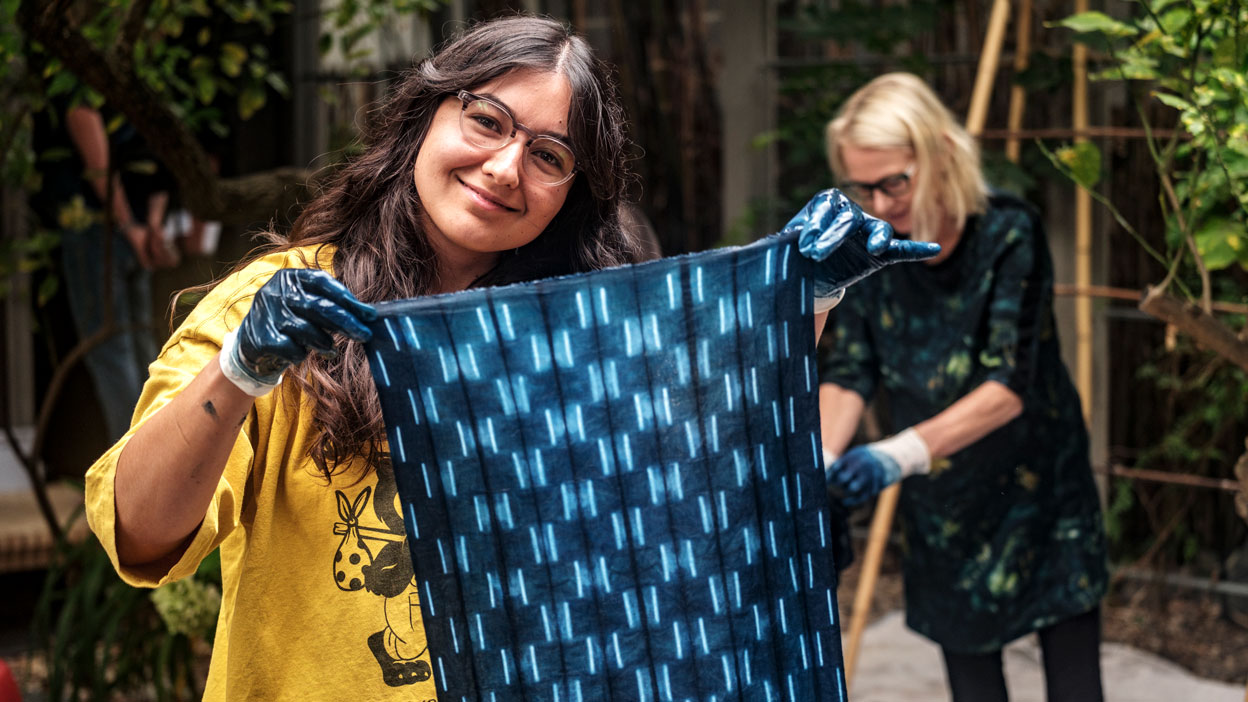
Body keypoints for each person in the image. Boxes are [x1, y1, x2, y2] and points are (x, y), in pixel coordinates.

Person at [84, 17, 932, 699]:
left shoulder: (583, 337)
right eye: (486, 119)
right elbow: (140, 531)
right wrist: (240, 372)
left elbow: (705, 496)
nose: (503, 165)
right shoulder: (278, 306)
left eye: (549, 155)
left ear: (572, 195)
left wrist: (805, 301)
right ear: (426, 114)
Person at [819, 72, 1109, 702]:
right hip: (946, 509)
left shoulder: (1009, 233)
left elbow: (1008, 384)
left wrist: (894, 456)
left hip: (1041, 499)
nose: (881, 203)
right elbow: (850, 372)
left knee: (1076, 688)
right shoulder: (873, 252)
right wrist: (826, 460)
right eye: (861, 187)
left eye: (894, 181)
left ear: (940, 154)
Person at [30, 102, 177, 442]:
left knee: (115, 352)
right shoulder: (136, 73)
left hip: (101, 227)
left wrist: (130, 227)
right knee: (140, 347)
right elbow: (157, 154)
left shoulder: (81, 81)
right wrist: (151, 226)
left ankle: (133, 470)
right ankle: (158, 458)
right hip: (136, 227)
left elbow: (96, 156)